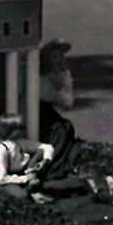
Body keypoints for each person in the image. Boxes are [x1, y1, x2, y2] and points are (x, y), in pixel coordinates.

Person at [38, 39, 80, 180]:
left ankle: (57, 166)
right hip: (34, 109)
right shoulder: (35, 74)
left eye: (60, 55)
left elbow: (68, 104)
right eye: (54, 56)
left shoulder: (64, 75)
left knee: (65, 127)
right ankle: (48, 167)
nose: (58, 60)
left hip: (49, 110)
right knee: (60, 129)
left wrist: (59, 87)